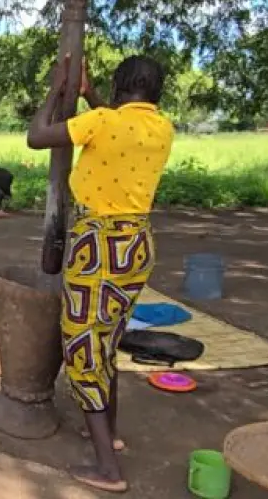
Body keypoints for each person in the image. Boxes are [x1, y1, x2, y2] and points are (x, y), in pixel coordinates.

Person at [26, 54, 173, 493]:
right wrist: (89, 94)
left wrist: (57, 89)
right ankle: (111, 432)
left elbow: (36, 137)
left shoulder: (102, 123)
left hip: (98, 246)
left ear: (118, 86)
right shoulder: (161, 127)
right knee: (106, 341)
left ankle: (108, 469)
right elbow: (117, 126)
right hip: (136, 246)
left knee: (82, 348)